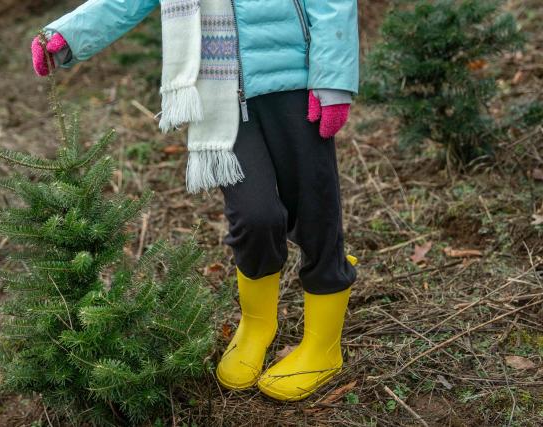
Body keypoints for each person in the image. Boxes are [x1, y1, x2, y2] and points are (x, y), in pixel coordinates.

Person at [32, 0, 358, 401]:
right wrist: (68, 33)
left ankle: (323, 345)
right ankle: (257, 324)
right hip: (221, 94)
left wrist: (333, 81)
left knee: (316, 212)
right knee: (254, 216)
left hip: (298, 80)